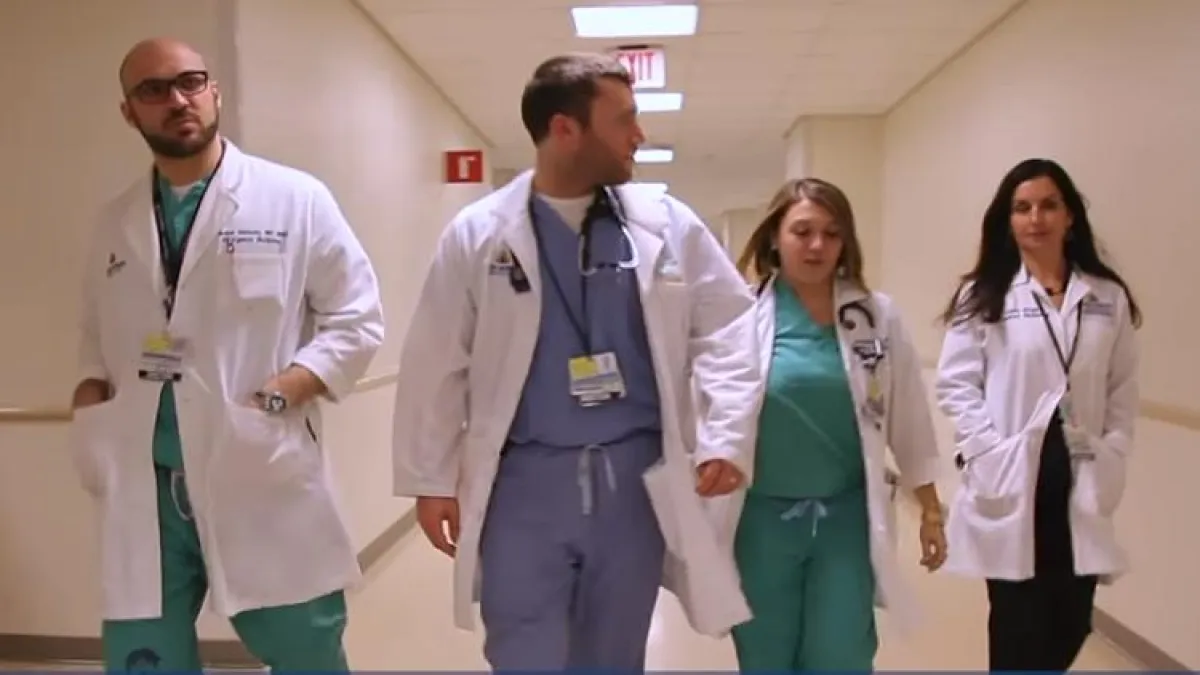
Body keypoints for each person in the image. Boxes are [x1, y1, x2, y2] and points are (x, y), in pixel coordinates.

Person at [390, 52, 759, 671]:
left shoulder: (668, 226)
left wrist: (726, 434)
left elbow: (730, 328)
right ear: (565, 129)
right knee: (522, 650)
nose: (639, 135)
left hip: (634, 484)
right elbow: (436, 357)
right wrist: (429, 479)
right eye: (624, 120)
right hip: (524, 485)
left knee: (614, 652)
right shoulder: (478, 233)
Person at [68, 38, 384, 673]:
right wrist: (88, 405)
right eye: (153, 90)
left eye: (190, 82)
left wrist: (283, 393)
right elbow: (95, 338)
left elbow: (356, 319)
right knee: (143, 657)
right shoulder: (115, 221)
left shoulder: (294, 198)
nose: (177, 99)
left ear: (215, 91)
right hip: (145, 482)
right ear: (129, 112)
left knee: (305, 649)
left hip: (255, 467)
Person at [729, 177, 948, 671]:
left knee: (842, 653)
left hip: (845, 520)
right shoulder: (741, 315)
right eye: (802, 231)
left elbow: (910, 418)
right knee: (765, 655)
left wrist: (931, 510)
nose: (817, 245)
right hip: (760, 523)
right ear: (774, 238)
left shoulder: (876, 316)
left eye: (831, 233)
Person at [936, 158, 1141, 671]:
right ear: (1007, 220)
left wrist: (1115, 449)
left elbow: (1121, 386)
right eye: (1022, 207)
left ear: (1070, 216)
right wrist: (985, 450)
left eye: (1049, 205)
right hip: (1013, 479)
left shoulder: (1106, 296)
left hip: (1079, 477)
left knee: (1072, 621)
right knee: (1018, 626)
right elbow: (957, 383)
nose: (1036, 218)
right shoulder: (984, 295)